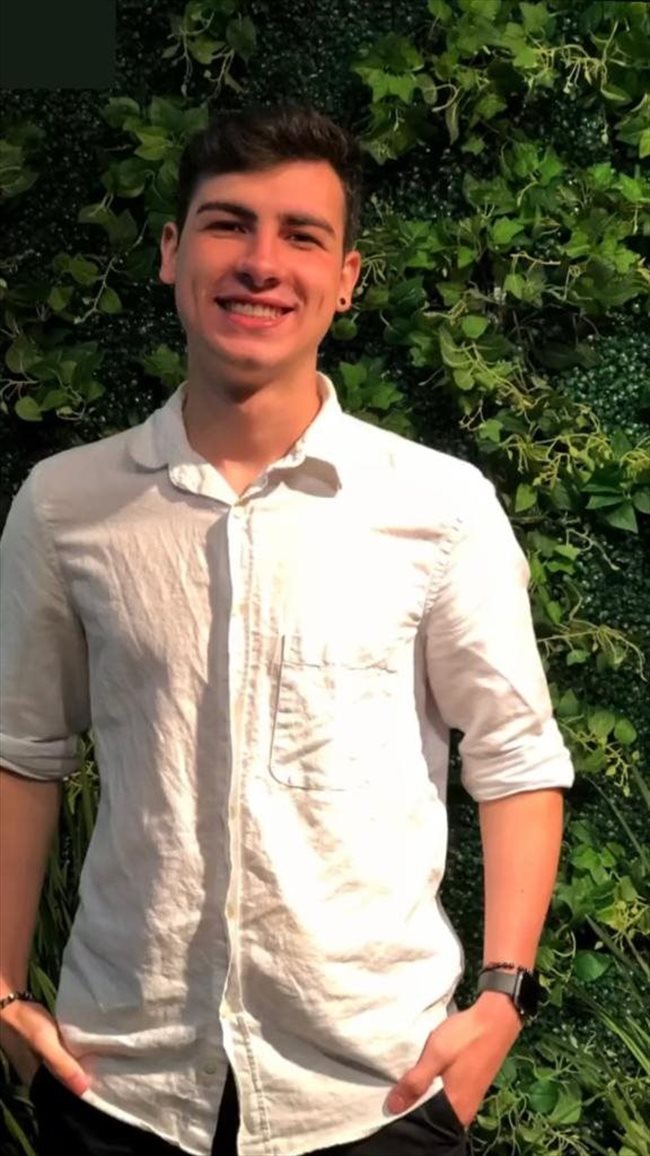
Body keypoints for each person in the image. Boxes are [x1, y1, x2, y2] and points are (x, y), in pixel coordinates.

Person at [0, 104, 574, 1156]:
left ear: (345, 278)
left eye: (301, 235)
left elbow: (514, 756)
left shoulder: (439, 507)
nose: (261, 263)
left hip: (375, 1092)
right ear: (171, 252)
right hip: (120, 1087)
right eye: (228, 224)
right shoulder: (65, 505)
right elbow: (21, 750)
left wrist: (502, 996)